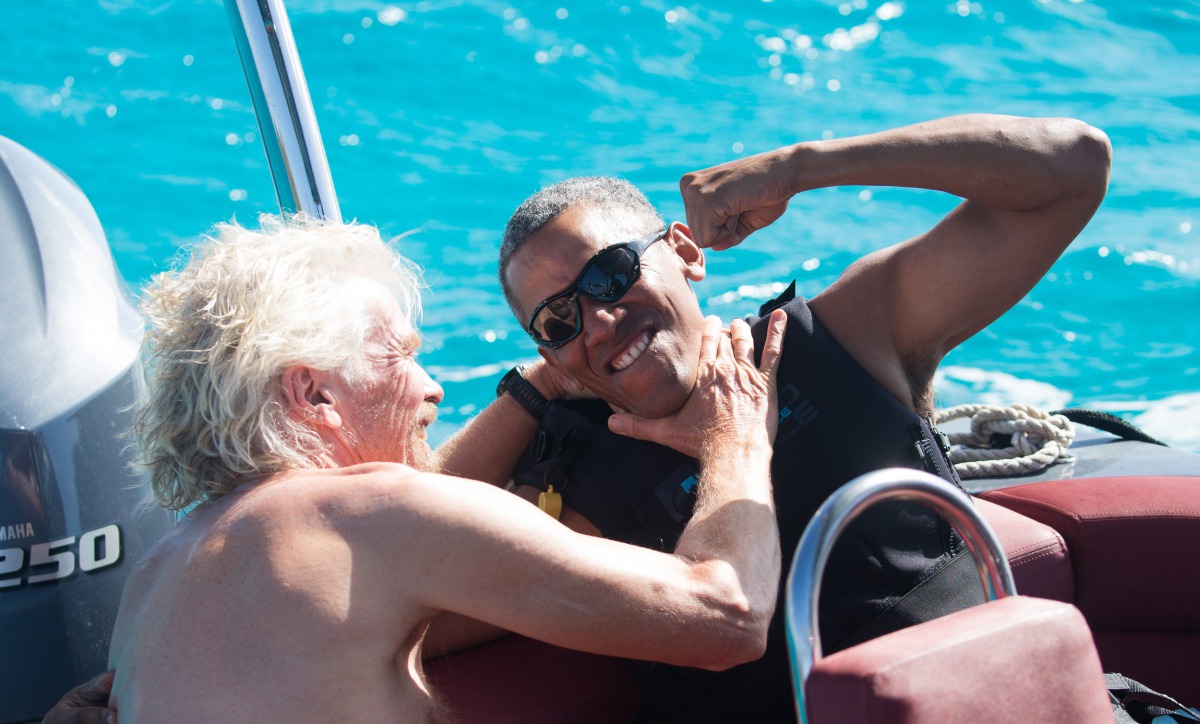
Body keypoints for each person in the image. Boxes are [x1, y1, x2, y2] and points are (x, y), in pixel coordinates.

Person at [495, 114, 1112, 722]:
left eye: (610, 274)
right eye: (558, 321)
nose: (600, 322)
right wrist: (527, 393)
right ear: (550, 354)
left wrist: (803, 167)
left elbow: (1074, 167)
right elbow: (417, 566)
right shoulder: (574, 496)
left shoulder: (845, 340)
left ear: (685, 252)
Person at [97, 215, 788, 722]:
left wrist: (540, 387)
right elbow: (726, 615)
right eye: (400, 357)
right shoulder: (371, 519)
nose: (433, 388)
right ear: (314, 395)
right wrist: (737, 432)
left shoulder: (154, 580)